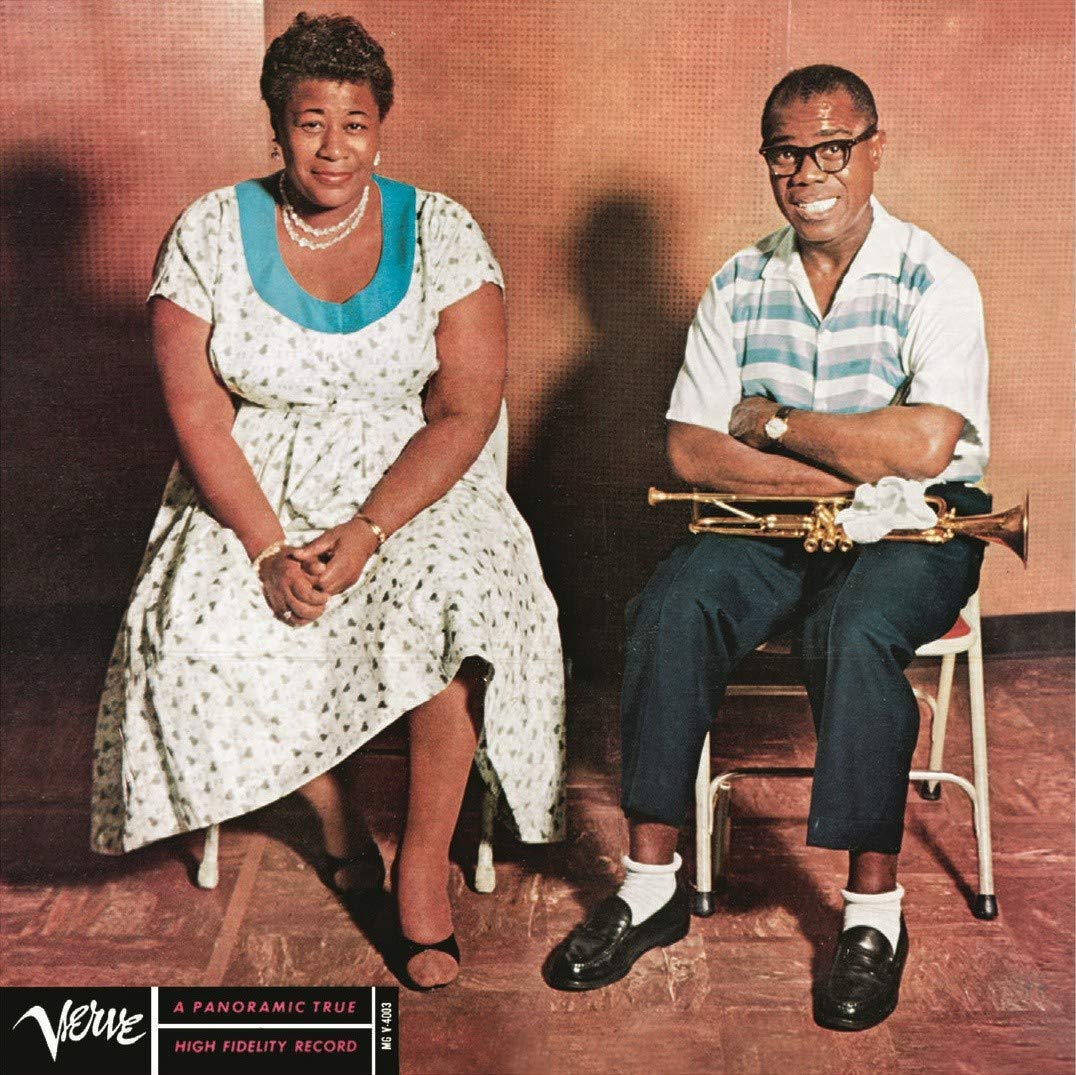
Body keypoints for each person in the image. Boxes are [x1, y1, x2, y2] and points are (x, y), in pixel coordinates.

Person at [90, 12, 565, 991]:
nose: (334, 147)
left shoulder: (442, 230)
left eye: (355, 123)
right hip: (253, 479)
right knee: (191, 623)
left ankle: (420, 868)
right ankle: (339, 818)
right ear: (277, 127)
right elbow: (198, 413)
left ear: (380, 127)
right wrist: (268, 547)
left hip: (414, 480)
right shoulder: (207, 232)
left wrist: (369, 529)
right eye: (311, 123)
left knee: (454, 602)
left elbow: (466, 408)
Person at [545, 65, 989, 1031]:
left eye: (832, 148)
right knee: (671, 605)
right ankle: (650, 889)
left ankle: (872, 916)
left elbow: (926, 447)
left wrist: (774, 423)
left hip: (922, 521)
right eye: (786, 154)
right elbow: (690, 447)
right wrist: (846, 475)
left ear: (874, 150)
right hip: (783, 517)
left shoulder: (935, 277)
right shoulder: (739, 281)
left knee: (854, 628)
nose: (807, 173)